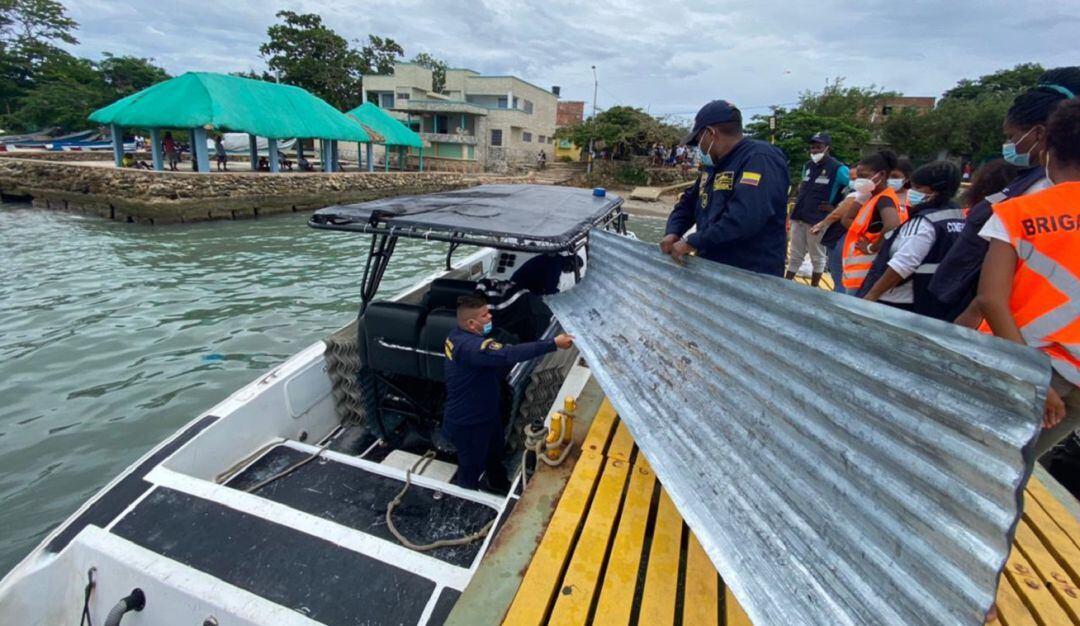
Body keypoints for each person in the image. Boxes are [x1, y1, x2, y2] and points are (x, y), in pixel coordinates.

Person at [930, 66, 1080, 321]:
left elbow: (990, 298)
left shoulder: (1034, 197)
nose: (1009, 145)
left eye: (1012, 136)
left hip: (1012, 333)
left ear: (1040, 134)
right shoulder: (1026, 184)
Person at [975, 98, 1080, 458]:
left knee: (982, 465)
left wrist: (1033, 378)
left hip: (1023, 365)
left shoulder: (1018, 212)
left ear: (1048, 146)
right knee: (1018, 467)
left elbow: (990, 298)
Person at [443, 295, 575, 491]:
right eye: (484, 315)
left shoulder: (457, 335)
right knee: (470, 468)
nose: (490, 317)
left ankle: (498, 484)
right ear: (471, 323)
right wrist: (553, 343)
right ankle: (467, 500)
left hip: (487, 414)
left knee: (494, 454)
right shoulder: (473, 347)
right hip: (469, 421)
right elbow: (509, 354)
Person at [660, 100, 790, 276]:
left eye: (698, 141)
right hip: (714, 268)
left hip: (751, 274)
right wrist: (673, 231)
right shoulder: (714, 166)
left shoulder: (759, 158)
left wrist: (693, 242)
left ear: (711, 133)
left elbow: (745, 217)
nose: (699, 148)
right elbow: (688, 203)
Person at [859, 161, 965, 319]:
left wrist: (871, 296)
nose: (911, 192)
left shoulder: (925, 222)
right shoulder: (958, 216)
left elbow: (903, 264)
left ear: (934, 190)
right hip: (935, 299)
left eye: (917, 188)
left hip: (900, 300)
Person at [838, 150, 909, 293]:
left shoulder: (884, 199)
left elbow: (892, 225)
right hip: (856, 273)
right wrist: (861, 197)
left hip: (865, 273)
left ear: (881, 175)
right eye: (858, 176)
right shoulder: (871, 196)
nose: (859, 180)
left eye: (864, 176)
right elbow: (846, 220)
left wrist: (872, 247)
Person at [786, 132, 850, 286]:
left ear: (827, 148)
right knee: (795, 254)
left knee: (818, 256)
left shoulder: (838, 168)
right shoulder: (807, 166)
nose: (814, 150)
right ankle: (785, 284)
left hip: (818, 219)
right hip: (799, 216)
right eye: (812, 147)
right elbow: (803, 188)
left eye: (818, 147)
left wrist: (835, 208)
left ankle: (814, 288)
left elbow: (853, 191)